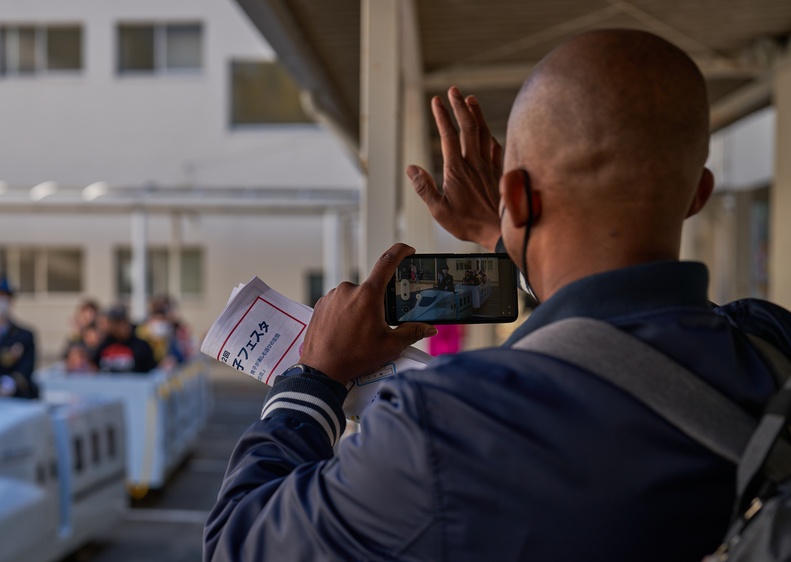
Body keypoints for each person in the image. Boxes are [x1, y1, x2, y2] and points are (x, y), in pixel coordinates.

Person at [204, 29, 791, 561]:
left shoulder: (447, 423)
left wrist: (314, 379)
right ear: (698, 194)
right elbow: (640, 327)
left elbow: (240, 543)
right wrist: (513, 233)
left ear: (517, 195)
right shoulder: (771, 346)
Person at [93, 303, 157, 373]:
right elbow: (95, 368)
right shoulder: (104, 345)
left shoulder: (141, 346)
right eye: (115, 323)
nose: (121, 326)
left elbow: (150, 372)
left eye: (122, 322)